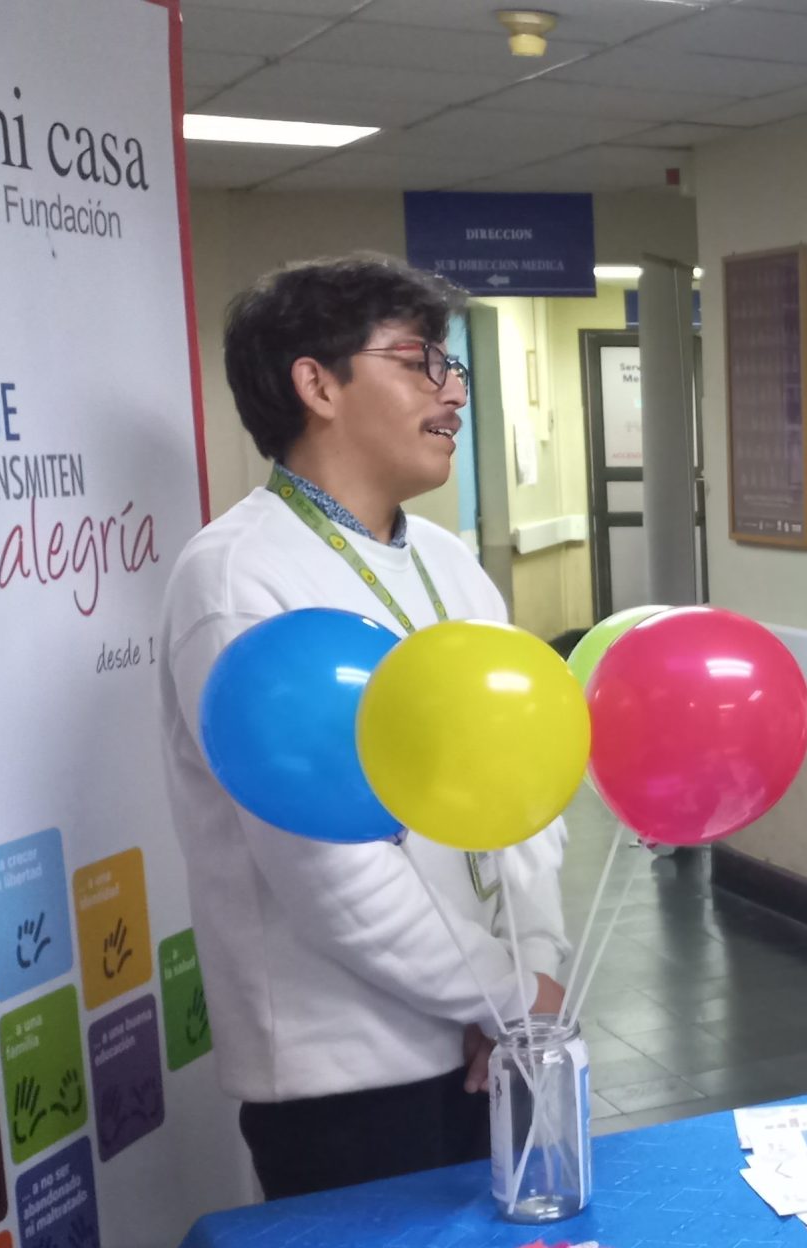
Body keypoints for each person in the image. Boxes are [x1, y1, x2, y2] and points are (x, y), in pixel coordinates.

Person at [158, 253, 572, 1200]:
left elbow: (525, 786)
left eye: (452, 364)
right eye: (420, 360)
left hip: (490, 1044)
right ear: (317, 384)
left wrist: (530, 972)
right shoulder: (238, 581)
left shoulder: (446, 562)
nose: (453, 391)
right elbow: (327, 870)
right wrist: (503, 993)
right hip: (349, 1086)